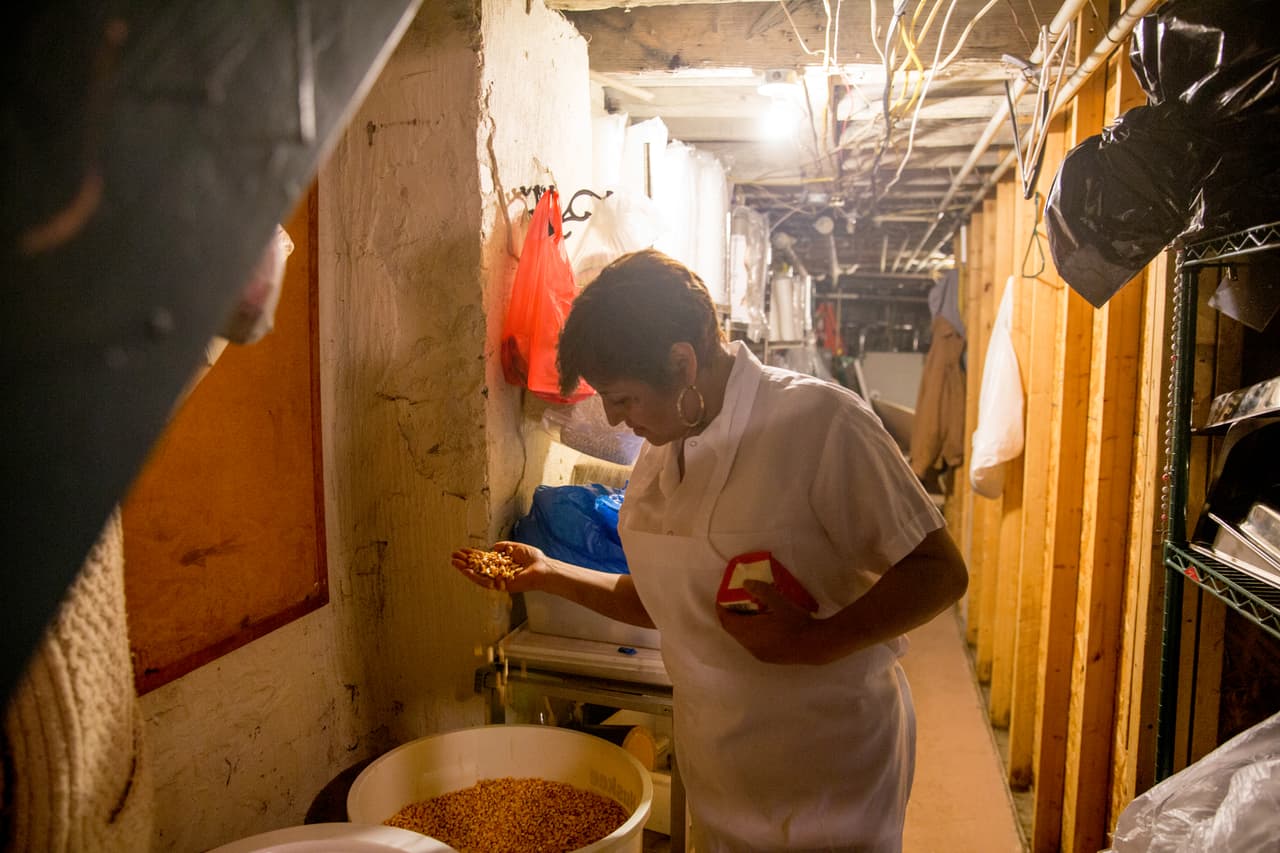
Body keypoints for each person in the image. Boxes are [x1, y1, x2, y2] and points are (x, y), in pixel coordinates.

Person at [452, 249, 968, 852]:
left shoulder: (820, 425)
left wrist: (812, 641)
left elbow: (940, 572)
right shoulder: (662, 448)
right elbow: (667, 601)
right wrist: (546, 573)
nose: (613, 418)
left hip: (826, 772)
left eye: (622, 397)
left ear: (682, 363)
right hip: (720, 770)